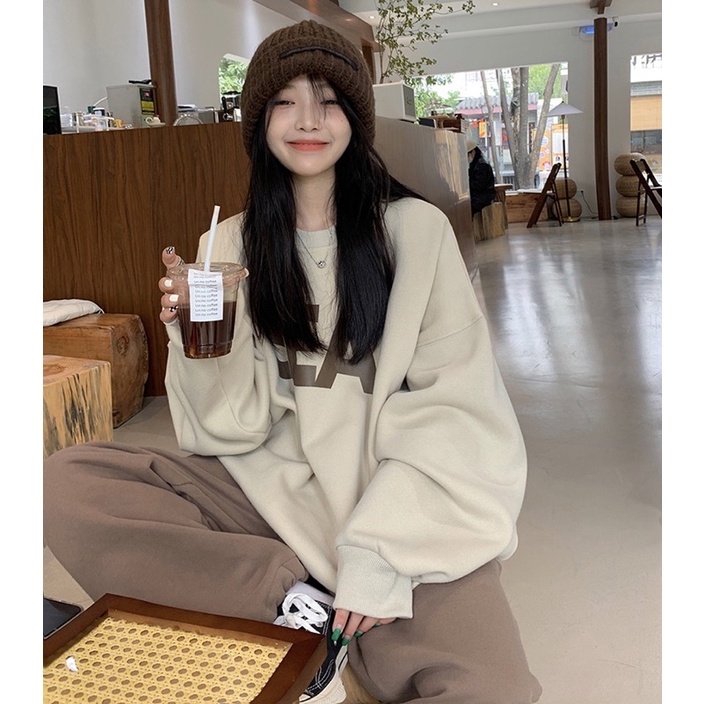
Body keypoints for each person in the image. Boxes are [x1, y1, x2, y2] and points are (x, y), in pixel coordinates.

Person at [44, 20, 542, 704]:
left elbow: (458, 414)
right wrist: (194, 339)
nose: (308, 120)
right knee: (68, 482)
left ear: (356, 119)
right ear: (258, 121)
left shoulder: (414, 233)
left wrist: (378, 554)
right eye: (284, 101)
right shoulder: (227, 245)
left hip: (399, 508)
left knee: (497, 690)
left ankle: (303, 629)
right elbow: (230, 430)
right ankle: (290, 610)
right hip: (266, 502)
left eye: (329, 100)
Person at [467, 137, 497, 216]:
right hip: (481, 195)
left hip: (484, 196)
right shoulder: (477, 164)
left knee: (467, 207)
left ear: (473, 152)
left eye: (467, 154)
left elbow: (478, 186)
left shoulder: (481, 166)